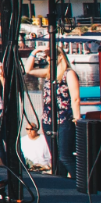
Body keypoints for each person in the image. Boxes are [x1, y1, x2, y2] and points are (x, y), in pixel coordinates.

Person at [26, 45, 82, 173]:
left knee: (65, 156)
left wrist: (76, 117)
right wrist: (35, 52)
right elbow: (29, 70)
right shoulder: (49, 73)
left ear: (60, 56)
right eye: (47, 56)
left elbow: (75, 98)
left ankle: (80, 185)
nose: (48, 59)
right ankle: (61, 184)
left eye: (51, 56)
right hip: (48, 119)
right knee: (55, 157)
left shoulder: (69, 73)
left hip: (64, 119)